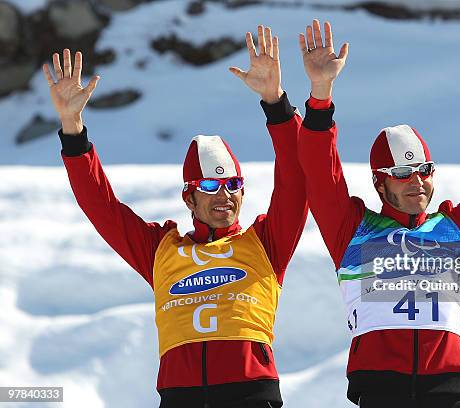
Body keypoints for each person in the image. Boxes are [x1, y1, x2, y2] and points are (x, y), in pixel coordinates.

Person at [43, 25, 307, 408]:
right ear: (189, 196)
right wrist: (73, 128)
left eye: (233, 184)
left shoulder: (266, 242)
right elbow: (101, 206)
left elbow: (296, 180)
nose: (225, 195)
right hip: (179, 395)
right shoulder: (160, 249)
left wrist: (275, 102)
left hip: (250, 393)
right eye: (211, 186)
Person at [296, 19, 460, 407]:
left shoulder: (457, 229)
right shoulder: (353, 231)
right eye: (401, 174)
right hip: (381, 392)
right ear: (380, 184)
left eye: (424, 170)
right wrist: (320, 93)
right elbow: (318, 171)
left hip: (450, 391)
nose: (416, 181)